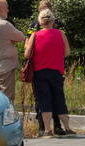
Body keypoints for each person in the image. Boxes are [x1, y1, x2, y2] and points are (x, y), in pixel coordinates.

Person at [24, 8, 76, 137]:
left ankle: (47, 130)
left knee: (44, 99)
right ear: (53, 21)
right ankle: (67, 128)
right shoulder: (61, 34)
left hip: (40, 71)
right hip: (57, 71)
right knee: (59, 98)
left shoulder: (35, 35)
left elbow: (27, 54)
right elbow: (67, 52)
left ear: (40, 22)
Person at [28, 0, 65, 135]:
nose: (44, 13)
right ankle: (42, 126)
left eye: (46, 9)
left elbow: (62, 43)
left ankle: (57, 125)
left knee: (55, 95)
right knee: (41, 98)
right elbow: (27, 42)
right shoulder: (34, 25)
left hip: (54, 64)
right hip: (39, 64)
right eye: (41, 9)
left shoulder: (58, 25)